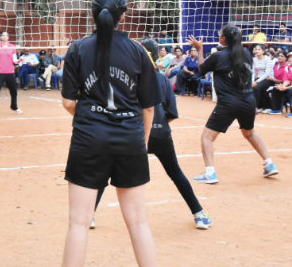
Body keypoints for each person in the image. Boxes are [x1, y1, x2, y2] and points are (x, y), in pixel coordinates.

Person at [27, 0, 164, 267]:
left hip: (89, 140)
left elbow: (69, 102)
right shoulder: (137, 52)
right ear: (123, 16)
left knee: (78, 222)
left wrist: (94, 119)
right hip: (130, 141)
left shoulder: (78, 49)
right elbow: (149, 109)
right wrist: (139, 144)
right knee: (139, 223)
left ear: (93, 14)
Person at [91, 38, 212, 231]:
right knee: (176, 173)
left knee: (107, 170)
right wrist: (158, 125)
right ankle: (199, 214)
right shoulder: (162, 79)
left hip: (134, 134)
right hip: (161, 133)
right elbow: (171, 113)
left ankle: (90, 215)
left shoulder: (129, 77)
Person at [189, 26, 278, 185]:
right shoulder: (246, 54)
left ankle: (210, 173)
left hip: (229, 103)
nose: (219, 36)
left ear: (224, 39)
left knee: (207, 137)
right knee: (249, 133)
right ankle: (270, 163)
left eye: (220, 34)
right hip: (248, 100)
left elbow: (201, 69)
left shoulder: (218, 56)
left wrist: (200, 49)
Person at [266, 51, 292, 117]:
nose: (290, 59)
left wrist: (287, 88)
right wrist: (282, 86)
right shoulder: (288, 68)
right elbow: (286, 80)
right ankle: (277, 109)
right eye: (289, 57)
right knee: (276, 89)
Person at [250, 45, 275, 112]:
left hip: (268, 79)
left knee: (257, 87)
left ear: (263, 51)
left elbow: (267, 73)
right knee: (250, 86)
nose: (257, 51)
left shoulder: (267, 59)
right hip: (258, 78)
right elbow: (253, 72)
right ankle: (261, 106)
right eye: (256, 49)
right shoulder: (254, 59)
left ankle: (255, 107)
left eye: (259, 49)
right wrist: (252, 81)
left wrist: (257, 82)